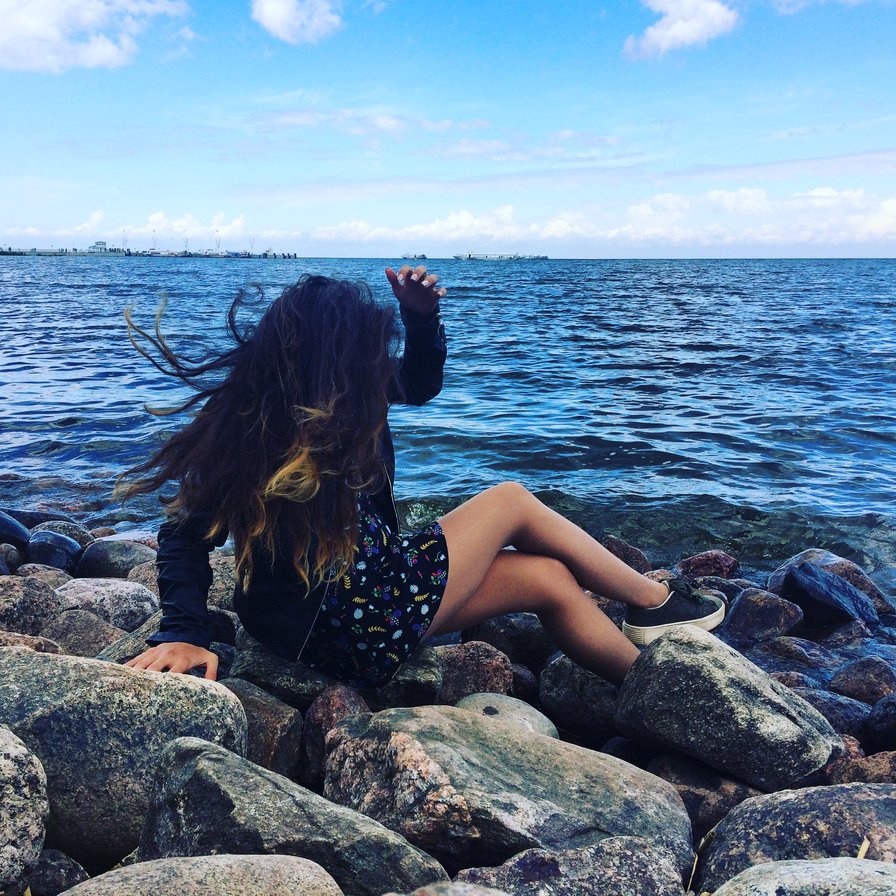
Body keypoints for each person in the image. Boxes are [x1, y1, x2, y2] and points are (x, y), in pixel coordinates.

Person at [121, 265, 724, 688]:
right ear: (340, 355)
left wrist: (421, 320)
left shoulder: (331, 397)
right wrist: (184, 632)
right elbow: (183, 535)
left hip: (337, 616)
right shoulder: (258, 429)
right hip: (354, 617)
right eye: (368, 346)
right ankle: (656, 602)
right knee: (511, 500)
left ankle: (648, 694)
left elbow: (419, 382)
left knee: (548, 579)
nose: (376, 359)